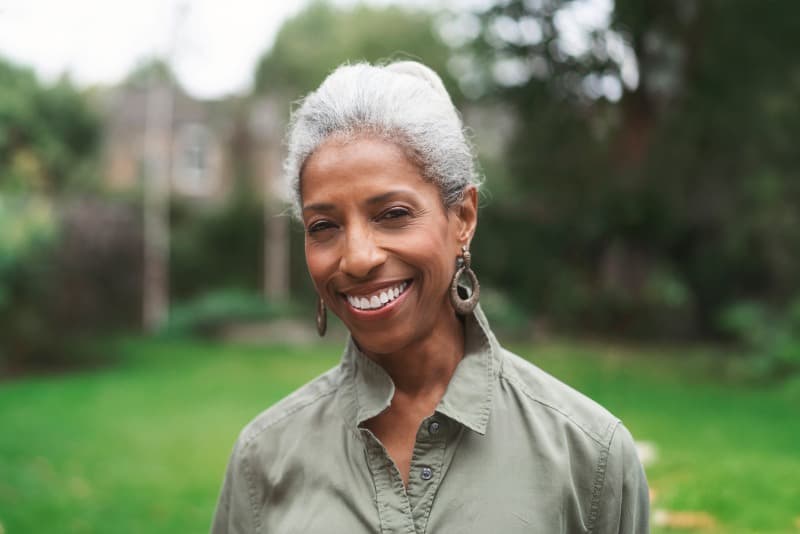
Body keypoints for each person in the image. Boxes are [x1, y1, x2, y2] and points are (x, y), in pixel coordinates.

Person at [211, 60, 649, 534]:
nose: (357, 258)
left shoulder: (590, 456)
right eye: (324, 226)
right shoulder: (262, 461)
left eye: (393, 214)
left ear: (463, 218)